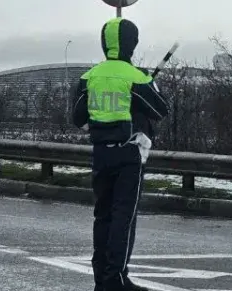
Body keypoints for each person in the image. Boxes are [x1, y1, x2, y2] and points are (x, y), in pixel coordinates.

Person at [72, 17, 170, 291]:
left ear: (104, 43)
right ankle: (117, 279)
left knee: (102, 216)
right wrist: (149, 84)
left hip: (100, 155)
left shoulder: (89, 77)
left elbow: (78, 117)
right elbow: (161, 110)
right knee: (123, 218)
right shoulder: (136, 77)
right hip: (128, 156)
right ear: (131, 44)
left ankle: (102, 279)